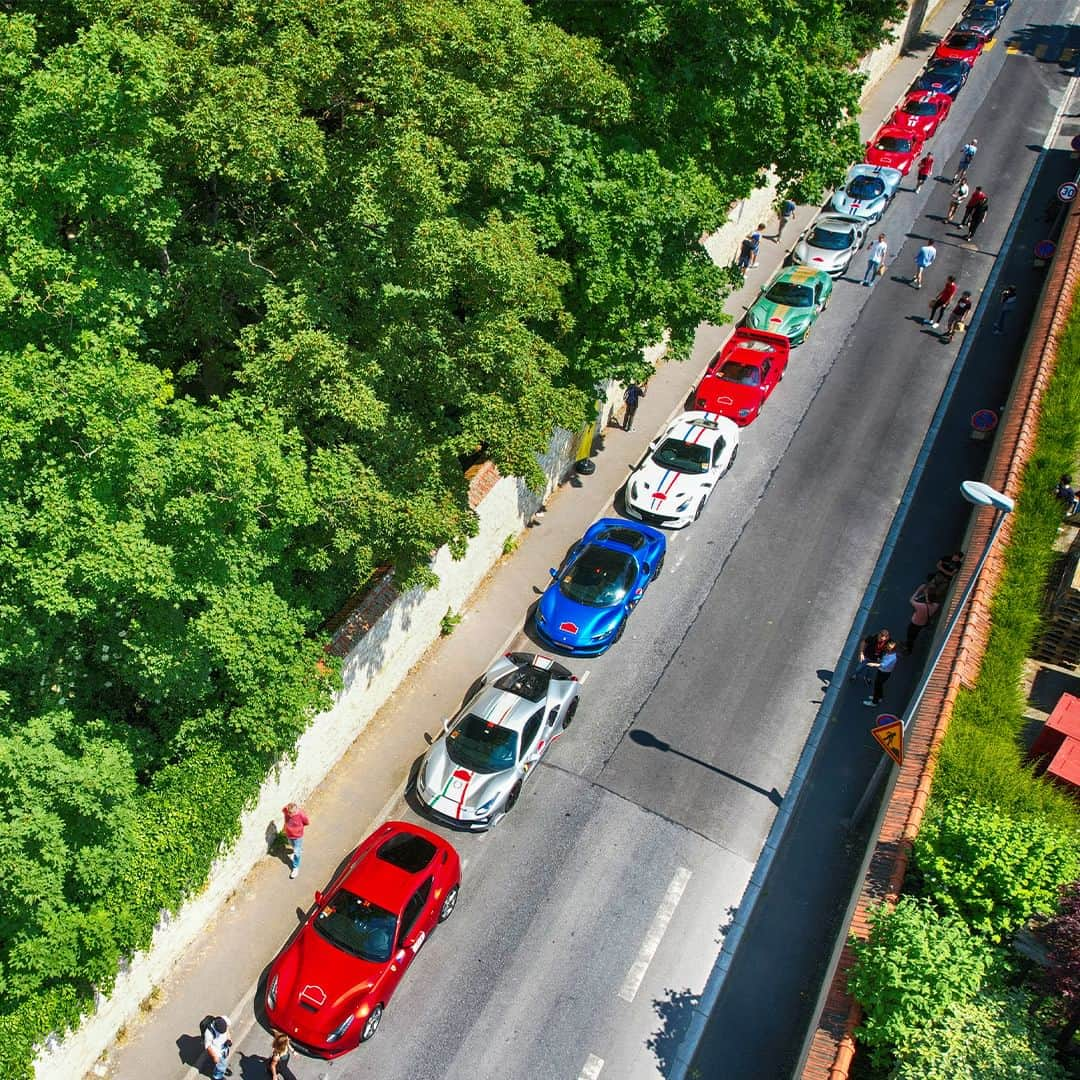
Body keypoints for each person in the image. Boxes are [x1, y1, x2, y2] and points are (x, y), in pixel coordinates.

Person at [904, 584, 942, 653]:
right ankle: (909, 645)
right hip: (923, 623)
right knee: (915, 634)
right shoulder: (936, 606)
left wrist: (918, 590)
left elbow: (911, 600)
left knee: (910, 635)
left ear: (927, 597)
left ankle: (908, 648)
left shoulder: (920, 606)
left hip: (914, 623)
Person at [863, 640, 898, 706]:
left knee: (877, 686)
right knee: (879, 685)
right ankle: (879, 697)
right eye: (888, 646)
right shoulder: (889, 653)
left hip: (884, 673)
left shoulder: (892, 658)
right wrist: (880, 660)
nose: (888, 648)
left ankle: (874, 702)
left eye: (890, 648)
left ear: (893, 649)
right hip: (882, 671)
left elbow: (883, 665)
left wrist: (873, 664)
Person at [282, 802, 309, 880]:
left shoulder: (301, 815)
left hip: (297, 836)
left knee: (297, 853)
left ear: (296, 810)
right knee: (292, 845)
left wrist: (298, 829)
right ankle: (298, 849)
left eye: (292, 813)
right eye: (289, 813)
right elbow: (284, 810)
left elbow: (306, 822)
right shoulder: (286, 811)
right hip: (289, 835)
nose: (290, 815)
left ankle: (295, 868)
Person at [203, 1015, 232, 1080]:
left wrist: (229, 1039)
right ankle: (217, 1076)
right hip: (217, 1051)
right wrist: (214, 1056)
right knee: (220, 1065)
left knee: (224, 1059)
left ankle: (223, 1068)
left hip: (224, 1047)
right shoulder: (209, 1033)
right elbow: (208, 1046)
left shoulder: (224, 1019)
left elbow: (227, 1029)